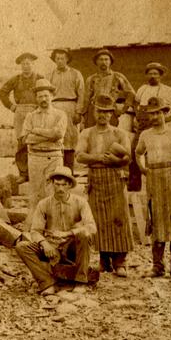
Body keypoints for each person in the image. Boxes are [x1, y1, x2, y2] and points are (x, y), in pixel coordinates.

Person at [15, 166, 97, 296]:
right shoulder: (44, 204)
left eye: (64, 185)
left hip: (71, 247)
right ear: (52, 184)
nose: (60, 188)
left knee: (85, 235)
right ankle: (47, 283)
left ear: (70, 185)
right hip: (51, 248)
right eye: (57, 184)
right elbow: (35, 230)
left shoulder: (80, 202)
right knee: (21, 247)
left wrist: (68, 233)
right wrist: (44, 243)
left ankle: (81, 281)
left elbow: (92, 227)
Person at [75, 94, 133, 277]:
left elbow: (128, 158)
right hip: (96, 179)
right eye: (100, 111)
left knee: (118, 218)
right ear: (94, 111)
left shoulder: (119, 133)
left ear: (112, 113)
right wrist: (100, 158)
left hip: (115, 178)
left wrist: (115, 160)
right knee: (98, 219)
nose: (103, 115)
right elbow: (80, 156)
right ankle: (104, 260)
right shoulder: (86, 133)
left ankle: (120, 261)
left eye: (107, 112)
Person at [135, 97, 171, 277]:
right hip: (154, 178)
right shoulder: (145, 135)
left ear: (165, 113)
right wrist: (143, 168)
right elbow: (138, 153)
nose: (155, 117)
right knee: (156, 221)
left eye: (158, 113)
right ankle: (158, 267)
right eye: (151, 114)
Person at [128, 62, 171, 191]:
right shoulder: (142, 89)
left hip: (159, 125)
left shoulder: (167, 90)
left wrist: (168, 118)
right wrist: (137, 115)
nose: (152, 76)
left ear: (161, 76)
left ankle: (162, 183)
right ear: (146, 75)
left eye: (156, 73)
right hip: (142, 126)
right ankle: (135, 185)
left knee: (158, 152)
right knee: (135, 150)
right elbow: (137, 102)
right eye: (150, 73)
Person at [21, 79, 67, 217]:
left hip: (54, 157)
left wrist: (36, 131)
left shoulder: (60, 114)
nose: (43, 99)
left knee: (55, 191)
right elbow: (25, 139)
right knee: (35, 193)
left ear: (52, 96)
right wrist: (49, 135)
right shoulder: (30, 116)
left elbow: (58, 134)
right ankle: (36, 226)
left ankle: (54, 225)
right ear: (36, 98)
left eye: (46, 95)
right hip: (35, 158)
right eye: (40, 96)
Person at [0, 52, 43, 183]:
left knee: (38, 140)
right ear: (20, 66)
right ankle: (23, 173)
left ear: (33, 64)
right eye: (23, 64)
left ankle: (37, 172)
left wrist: (41, 106)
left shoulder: (40, 78)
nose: (26, 66)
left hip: (37, 110)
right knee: (22, 142)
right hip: (21, 111)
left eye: (28, 63)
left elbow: (50, 92)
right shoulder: (16, 79)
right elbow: (3, 92)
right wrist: (11, 106)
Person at [46, 48, 85, 168]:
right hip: (55, 107)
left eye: (62, 58)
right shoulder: (50, 75)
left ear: (67, 59)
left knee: (70, 140)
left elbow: (81, 93)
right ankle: (57, 170)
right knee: (56, 137)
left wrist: (78, 112)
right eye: (57, 58)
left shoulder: (75, 73)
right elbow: (46, 93)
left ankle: (69, 171)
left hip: (70, 107)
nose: (60, 61)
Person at [80, 48, 135, 128]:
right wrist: (84, 115)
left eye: (106, 59)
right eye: (101, 59)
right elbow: (86, 99)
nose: (104, 62)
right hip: (94, 111)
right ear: (96, 62)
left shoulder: (117, 76)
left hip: (110, 110)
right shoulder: (91, 79)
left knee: (110, 135)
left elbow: (131, 93)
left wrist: (123, 109)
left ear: (110, 62)